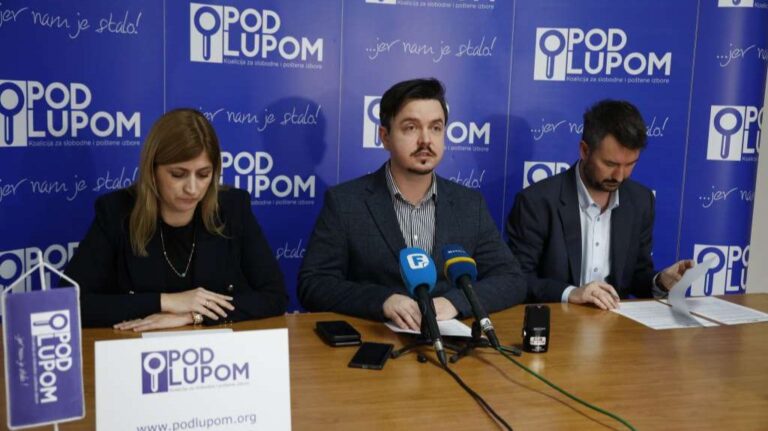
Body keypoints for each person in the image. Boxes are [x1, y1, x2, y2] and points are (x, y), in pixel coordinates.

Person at [298, 78, 526, 330]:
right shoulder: (345, 202)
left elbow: (511, 279)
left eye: (436, 128)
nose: (425, 140)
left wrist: (454, 302)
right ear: (385, 136)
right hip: (376, 340)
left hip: (449, 342)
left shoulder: (469, 204)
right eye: (411, 128)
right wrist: (383, 301)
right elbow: (314, 283)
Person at [64, 108, 286, 330]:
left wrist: (193, 315)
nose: (192, 188)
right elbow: (70, 303)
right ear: (152, 171)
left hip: (217, 348)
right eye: (178, 174)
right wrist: (166, 301)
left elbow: (275, 295)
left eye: (203, 174)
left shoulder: (233, 207)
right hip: (137, 347)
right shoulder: (116, 211)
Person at [506, 100, 692, 310]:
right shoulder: (536, 202)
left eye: (630, 164)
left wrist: (660, 282)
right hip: (557, 321)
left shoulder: (641, 201)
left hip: (615, 324)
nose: (620, 176)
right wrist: (571, 293)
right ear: (585, 150)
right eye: (610, 164)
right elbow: (517, 280)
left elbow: (636, 276)